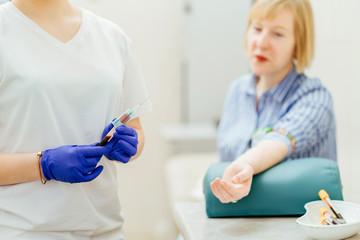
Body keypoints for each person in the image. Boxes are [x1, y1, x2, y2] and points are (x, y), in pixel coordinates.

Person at [0, 0, 152, 239]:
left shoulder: (112, 37)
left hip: (105, 227)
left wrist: (130, 144)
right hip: (23, 229)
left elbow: (135, 128)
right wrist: (42, 164)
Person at [210, 0, 336, 204]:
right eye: (257, 28)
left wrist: (243, 165)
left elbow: (282, 139)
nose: (260, 42)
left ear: (298, 44)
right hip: (237, 218)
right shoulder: (237, 90)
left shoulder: (315, 97)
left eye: (277, 34)